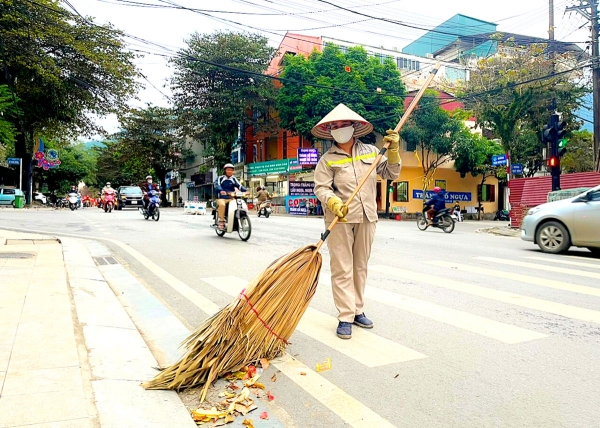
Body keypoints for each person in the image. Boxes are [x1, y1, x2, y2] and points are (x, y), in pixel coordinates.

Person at [313, 103, 401, 340]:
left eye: (344, 125)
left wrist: (393, 152)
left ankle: (358, 310)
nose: (339, 129)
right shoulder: (327, 159)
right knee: (342, 267)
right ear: (330, 130)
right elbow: (321, 188)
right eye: (335, 126)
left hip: (367, 216)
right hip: (339, 218)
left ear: (354, 127)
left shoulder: (372, 152)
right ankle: (344, 315)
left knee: (360, 266)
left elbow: (391, 174)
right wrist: (332, 202)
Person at [214, 163, 247, 230]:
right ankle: (221, 221)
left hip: (231, 198)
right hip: (222, 198)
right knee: (222, 205)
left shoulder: (234, 179)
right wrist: (221, 191)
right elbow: (217, 185)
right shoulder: (220, 178)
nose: (230, 171)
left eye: (231, 170)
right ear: (225, 170)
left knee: (240, 204)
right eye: (228, 170)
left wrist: (246, 191)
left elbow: (239, 186)